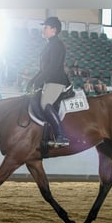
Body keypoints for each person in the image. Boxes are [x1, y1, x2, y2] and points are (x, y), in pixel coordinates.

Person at [26, 17, 71, 147]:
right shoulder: (50, 44)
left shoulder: (57, 45)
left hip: (57, 81)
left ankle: (61, 135)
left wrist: (38, 81)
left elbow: (52, 68)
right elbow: (43, 69)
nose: (43, 29)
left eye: (46, 27)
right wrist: (32, 81)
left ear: (54, 30)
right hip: (50, 80)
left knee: (45, 103)